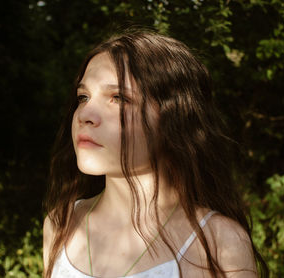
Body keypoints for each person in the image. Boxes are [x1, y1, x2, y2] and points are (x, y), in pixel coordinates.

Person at [43, 30, 268, 278]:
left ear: (176, 117)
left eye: (118, 98)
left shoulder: (219, 242)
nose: (85, 114)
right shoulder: (60, 225)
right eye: (83, 97)